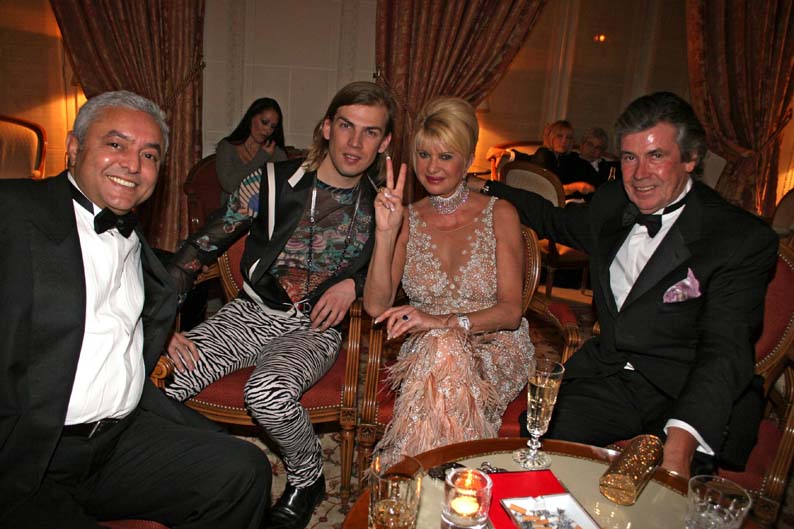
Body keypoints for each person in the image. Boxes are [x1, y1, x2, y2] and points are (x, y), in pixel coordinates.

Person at [469, 92, 778, 478]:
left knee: (665, 494)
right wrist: (483, 188)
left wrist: (680, 446)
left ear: (690, 158)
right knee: (545, 450)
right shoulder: (614, 202)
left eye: (656, 156)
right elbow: (555, 220)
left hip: (685, 389)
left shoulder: (737, 238)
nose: (639, 174)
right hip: (611, 373)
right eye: (630, 157)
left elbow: (724, 350)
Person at [0, 91, 271, 529]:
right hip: (33, 456)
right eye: (116, 144)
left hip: (115, 440)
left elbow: (105, 304)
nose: (133, 165)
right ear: (74, 147)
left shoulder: (132, 236)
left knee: (243, 471)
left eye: (149, 155)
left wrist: (154, 330)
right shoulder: (12, 212)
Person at [164, 81, 396, 529]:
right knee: (162, 379)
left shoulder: (382, 207)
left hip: (314, 329)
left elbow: (395, 281)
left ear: (384, 142)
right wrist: (159, 323)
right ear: (326, 127)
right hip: (249, 314)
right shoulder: (270, 182)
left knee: (267, 394)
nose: (355, 142)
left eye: (370, 132)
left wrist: (354, 284)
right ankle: (194, 470)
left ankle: (308, 479)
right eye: (346, 126)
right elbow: (203, 245)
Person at [363, 96, 533, 463]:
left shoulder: (500, 213)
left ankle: (409, 475)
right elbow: (376, 306)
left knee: (443, 349)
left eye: (445, 156)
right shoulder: (406, 218)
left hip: (494, 345)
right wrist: (385, 233)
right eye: (424, 154)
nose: (432, 167)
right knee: (442, 350)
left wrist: (442, 322)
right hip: (427, 348)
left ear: (468, 159)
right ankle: (458, 473)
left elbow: (510, 312)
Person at [216, 97, 288, 205]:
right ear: (251, 118)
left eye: (272, 127)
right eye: (264, 122)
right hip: (233, 211)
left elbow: (284, 189)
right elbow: (229, 185)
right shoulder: (227, 147)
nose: (267, 130)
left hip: (265, 211)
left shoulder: (275, 152)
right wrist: (261, 157)